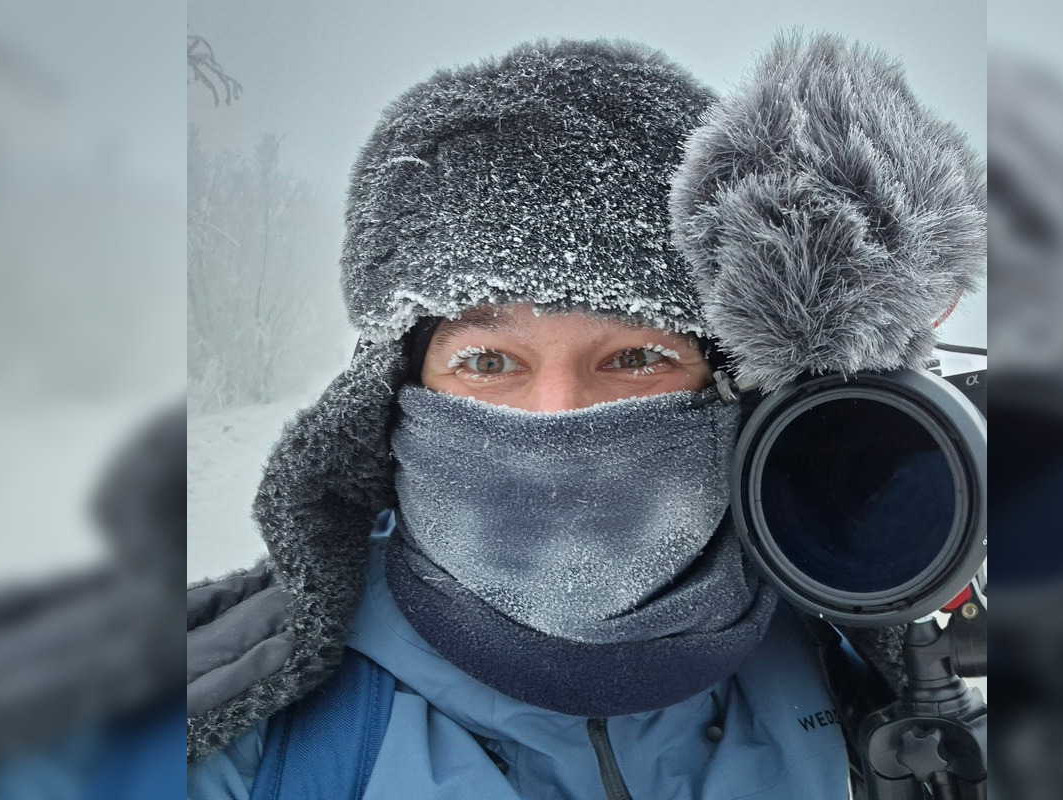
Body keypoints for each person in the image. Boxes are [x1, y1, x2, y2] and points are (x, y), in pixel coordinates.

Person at [186, 38, 906, 799]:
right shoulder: (230, 740)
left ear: (736, 388)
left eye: (635, 358)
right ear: (390, 392)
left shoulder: (875, 687)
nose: (558, 420)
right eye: (489, 363)